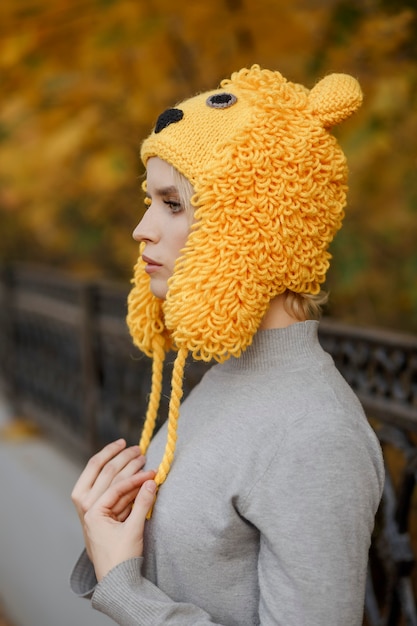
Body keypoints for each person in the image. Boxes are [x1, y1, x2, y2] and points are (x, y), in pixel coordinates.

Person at [70, 65, 384, 625]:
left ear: (244, 226)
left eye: (172, 204)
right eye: (151, 200)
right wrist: (110, 538)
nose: (142, 228)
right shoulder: (223, 376)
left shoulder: (317, 434)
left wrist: (125, 591)